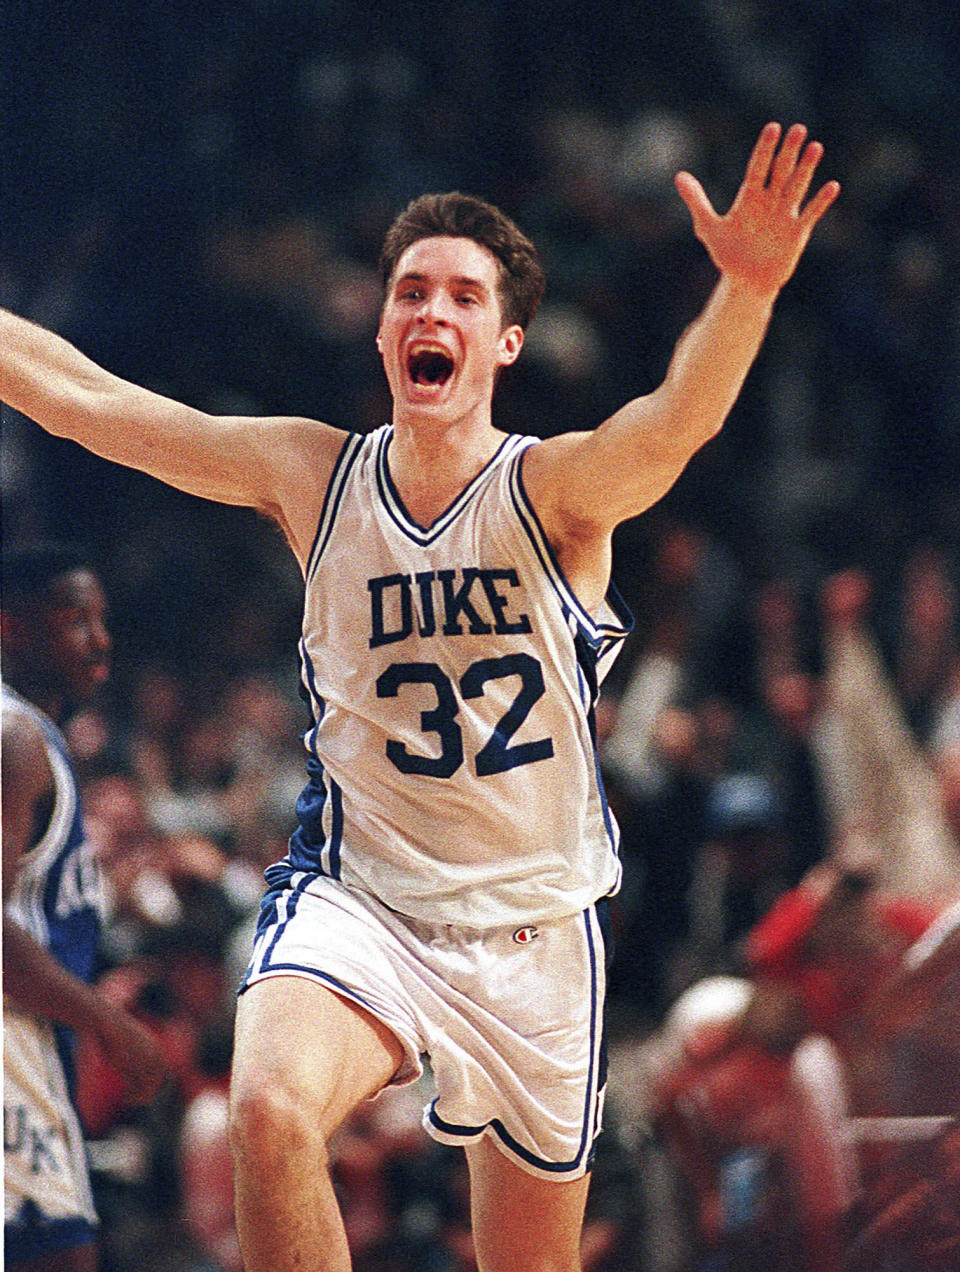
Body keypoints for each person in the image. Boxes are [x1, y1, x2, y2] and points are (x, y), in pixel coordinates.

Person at [0, 122, 839, 1271]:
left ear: (504, 340)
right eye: (408, 292)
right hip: (365, 901)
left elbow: (675, 424)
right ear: (385, 326)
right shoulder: (311, 474)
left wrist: (743, 291)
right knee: (265, 1110)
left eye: (459, 296)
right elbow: (87, 402)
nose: (429, 312)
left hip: (536, 928)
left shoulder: (554, 492)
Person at [2, 542, 167, 1271]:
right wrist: (110, 1022)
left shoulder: (34, 736)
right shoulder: (14, 737)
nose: (99, 639)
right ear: (10, 629)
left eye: (102, 618)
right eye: (74, 619)